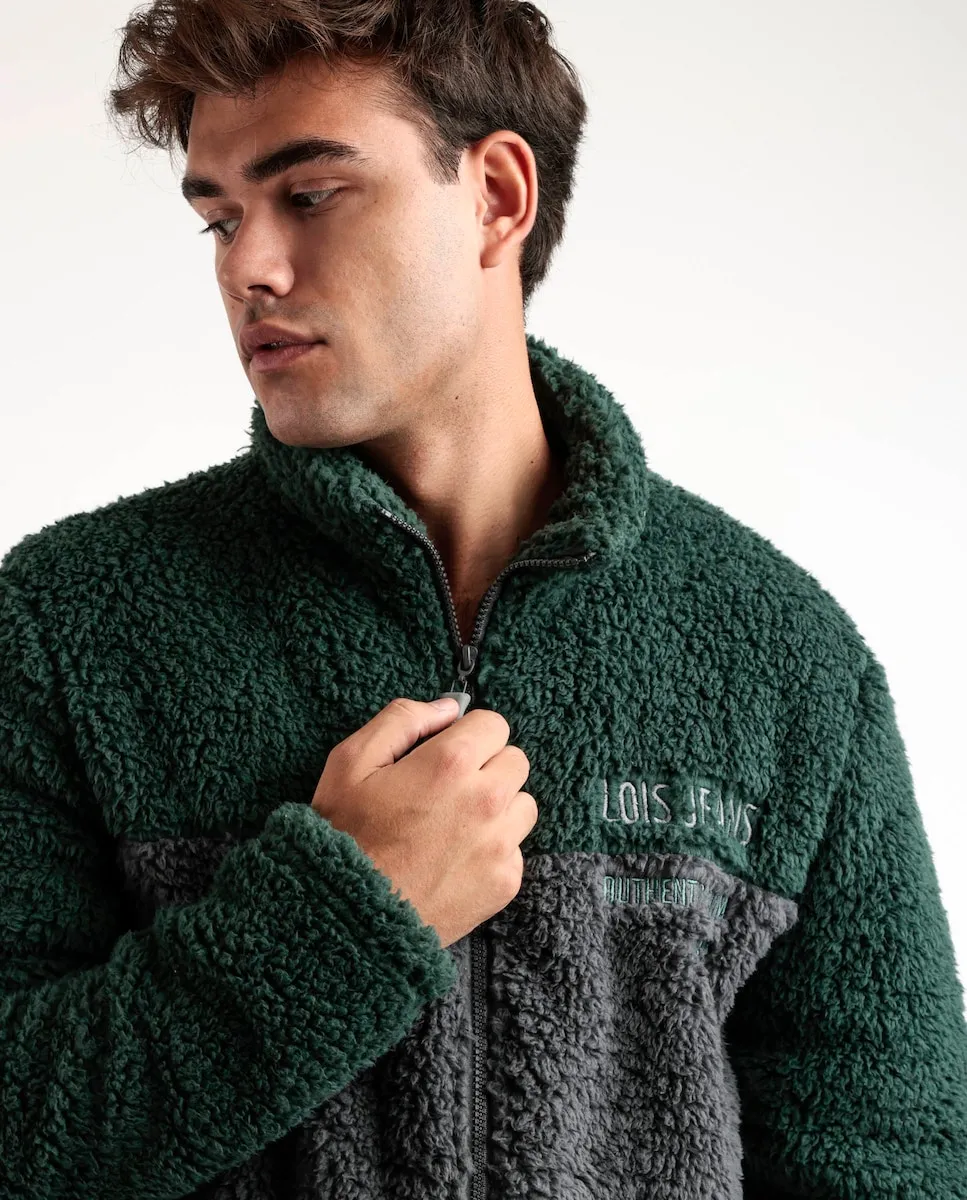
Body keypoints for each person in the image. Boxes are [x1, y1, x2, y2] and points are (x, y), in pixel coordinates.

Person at [2, 2, 965, 1198]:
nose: (246, 267)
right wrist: (340, 925)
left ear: (497, 197)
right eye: (220, 216)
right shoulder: (68, 625)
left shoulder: (783, 655)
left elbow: (895, 1161)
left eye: (309, 195)